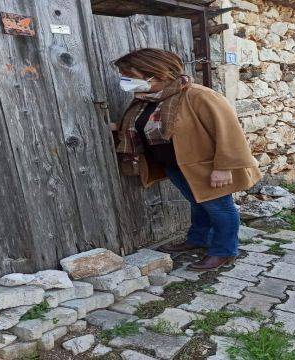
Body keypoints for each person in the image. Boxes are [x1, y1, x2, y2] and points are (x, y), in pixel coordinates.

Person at [110, 48, 261, 271]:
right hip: (175, 165)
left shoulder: (199, 95)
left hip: (208, 168)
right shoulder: (146, 99)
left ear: (155, 73)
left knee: (220, 208)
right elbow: (142, 126)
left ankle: (224, 251)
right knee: (197, 203)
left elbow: (229, 132)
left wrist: (224, 167)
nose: (127, 80)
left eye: (131, 75)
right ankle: (198, 239)